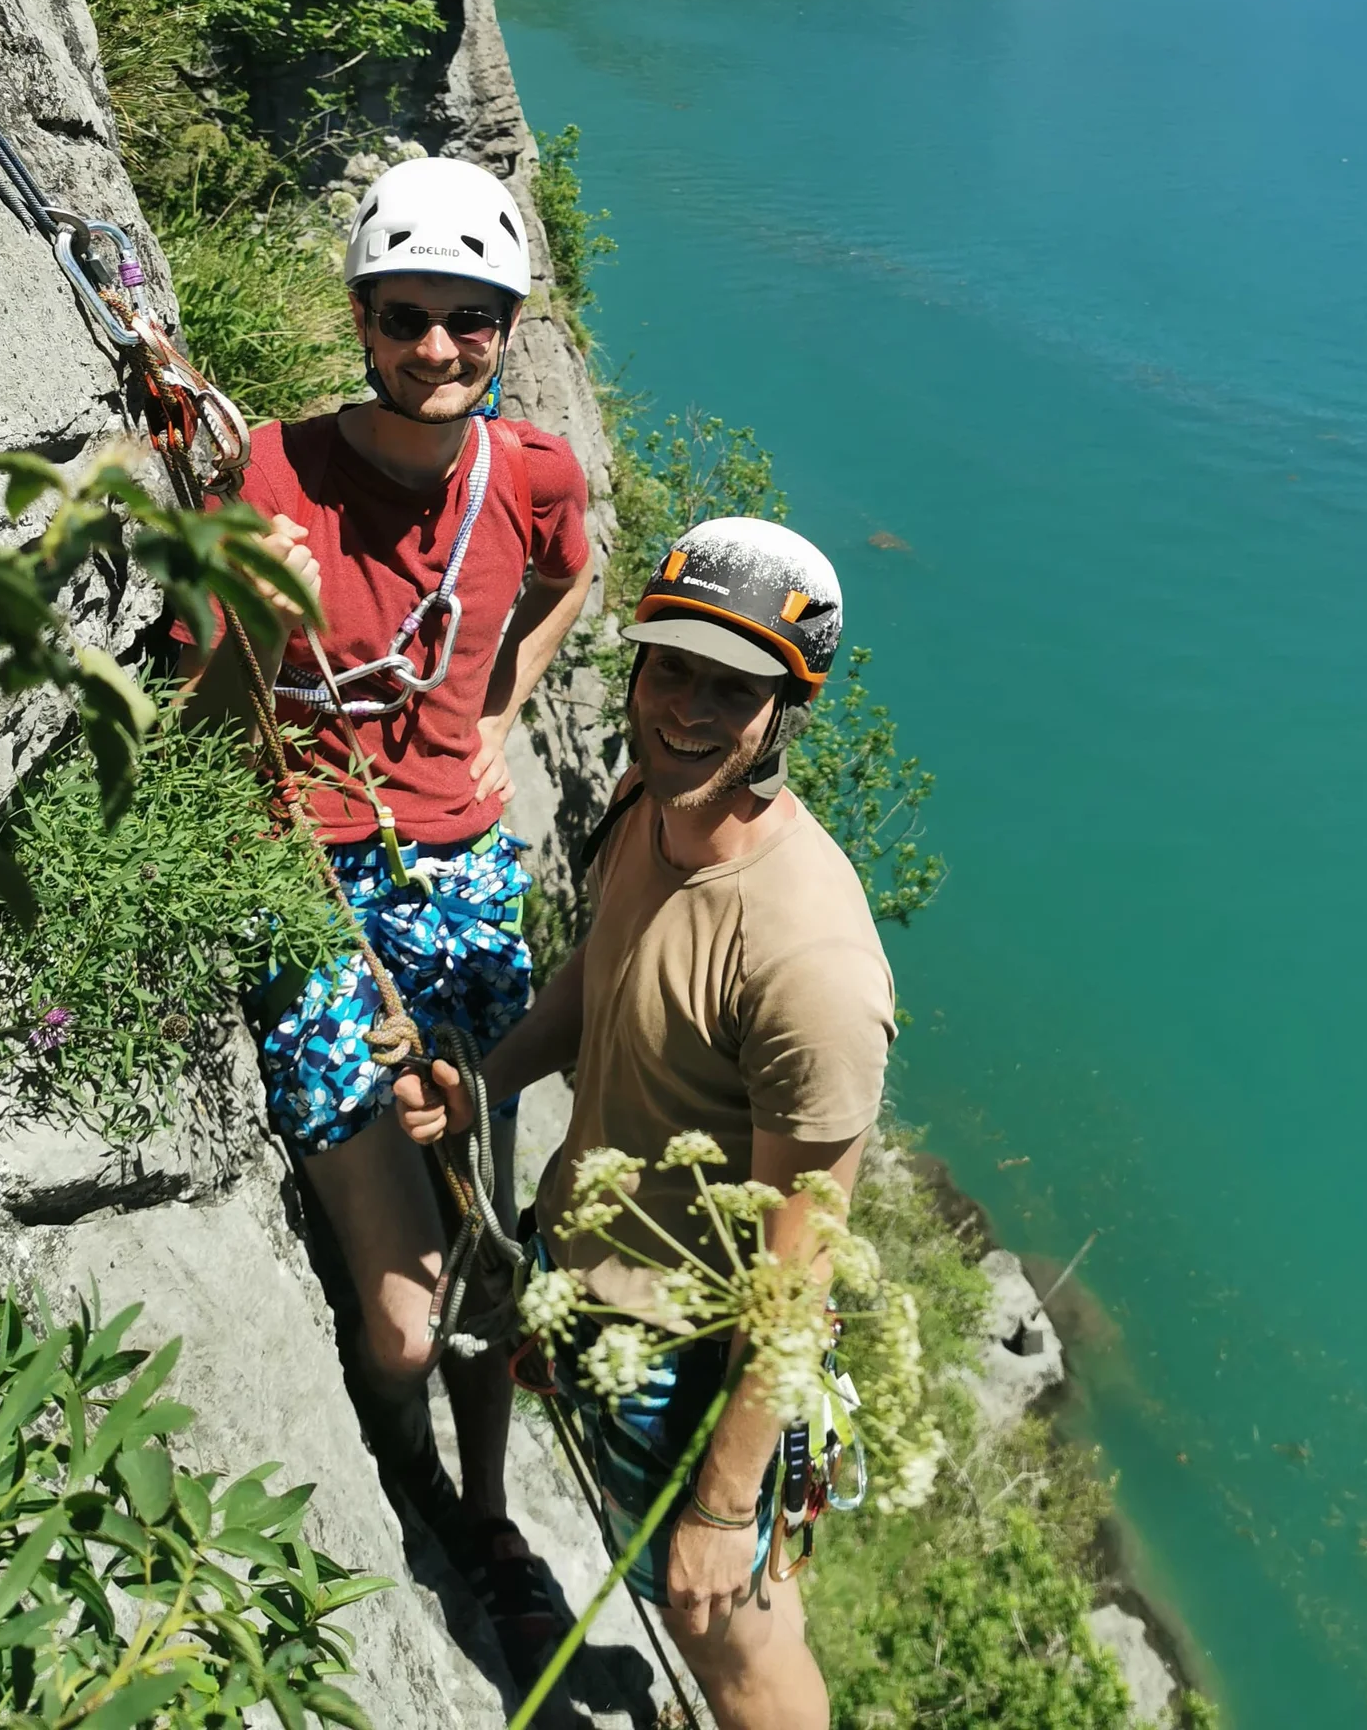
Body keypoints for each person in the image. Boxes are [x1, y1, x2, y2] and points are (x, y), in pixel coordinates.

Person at [185, 154, 594, 1669]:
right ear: (362, 318)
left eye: (470, 322)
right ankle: (404, 1454)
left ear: (505, 329)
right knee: (414, 1319)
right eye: (408, 317)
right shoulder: (269, 480)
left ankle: (486, 1511)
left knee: (496, 1251)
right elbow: (196, 722)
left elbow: (573, 567)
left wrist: (510, 703)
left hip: (469, 875)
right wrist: (254, 616)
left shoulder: (532, 472)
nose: (437, 350)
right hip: (313, 888)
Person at [396, 515, 897, 1730]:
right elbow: (599, 977)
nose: (686, 707)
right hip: (590, 1293)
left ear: (789, 710)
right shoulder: (647, 803)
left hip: (693, 1370)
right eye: (671, 665)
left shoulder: (811, 962)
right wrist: (490, 1078)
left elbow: (800, 1266)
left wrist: (729, 1501)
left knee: (732, 1645)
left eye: (736, 688)